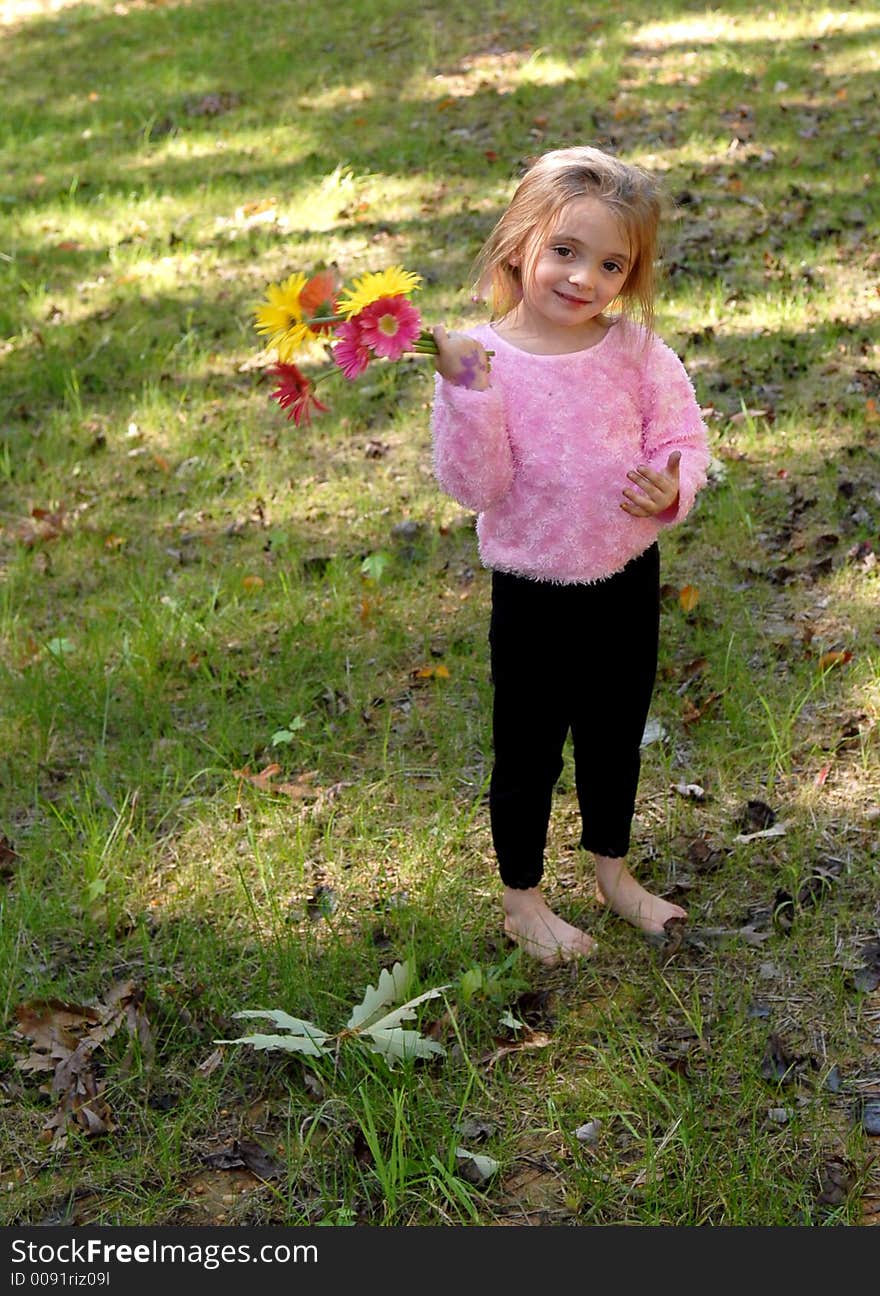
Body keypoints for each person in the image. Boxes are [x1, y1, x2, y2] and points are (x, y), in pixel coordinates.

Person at [430, 146, 710, 965]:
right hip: (534, 587)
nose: (584, 277)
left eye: (611, 262)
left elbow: (681, 440)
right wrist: (467, 392)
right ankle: (523, 897)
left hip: (624, 577)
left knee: (615, 732)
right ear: (520, 242)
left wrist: (672, 486)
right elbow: (476, 485)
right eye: (565, 251)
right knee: (529, 746)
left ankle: (613, 873)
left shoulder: (637, 353)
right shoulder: (481, 357)